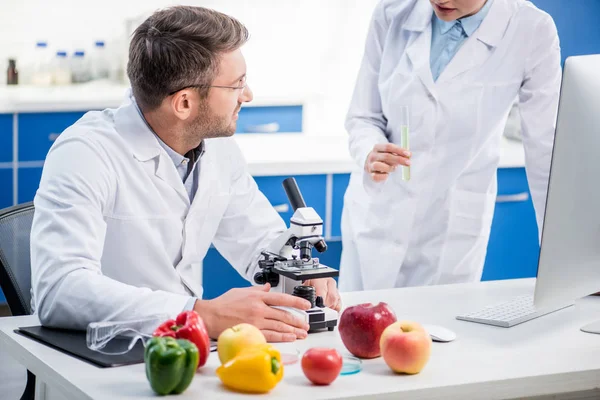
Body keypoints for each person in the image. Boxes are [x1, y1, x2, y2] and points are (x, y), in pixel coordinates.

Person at [30, 6, 340, 342]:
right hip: (103, 353)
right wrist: (200, 313)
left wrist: (299, 270)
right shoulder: (86, 152)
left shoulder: (217, 150)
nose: (248, 96)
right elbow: (59, 289)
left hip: (188, 350)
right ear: (184, 104)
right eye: (237, 86)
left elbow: (258, 242)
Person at [339, 0, 561, 291]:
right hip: (377, 215)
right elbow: (362, 116)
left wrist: (565, 257)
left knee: (435, 332)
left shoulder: (531, 29)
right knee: (357, 327)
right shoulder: (392, 12)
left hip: (450, 229)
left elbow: (548, 152)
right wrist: (370, 148)